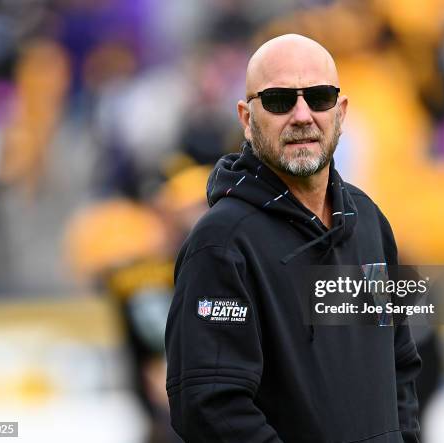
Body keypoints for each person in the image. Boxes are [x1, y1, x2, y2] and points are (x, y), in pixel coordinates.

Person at [165, 34, 421, 443]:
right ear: (247, 119)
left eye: (319, 97)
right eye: (280, 100)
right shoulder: (221, 244)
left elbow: (401, 365)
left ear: (341, 112)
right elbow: (210, 407)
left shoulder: (369, 221)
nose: (302, 115)